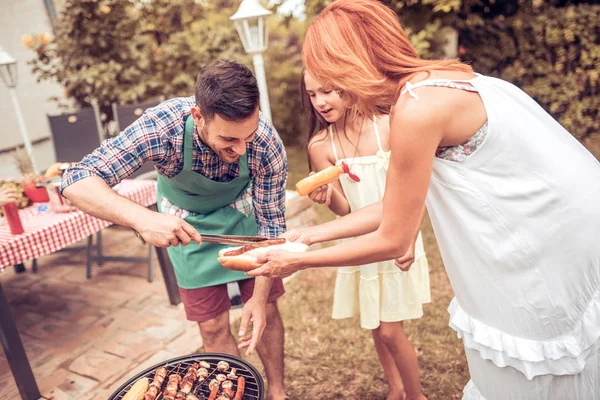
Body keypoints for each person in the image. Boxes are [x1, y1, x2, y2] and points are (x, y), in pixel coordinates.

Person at [248, 1, 600, 399]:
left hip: (547, 248)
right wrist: (308, 237)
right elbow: (392, 207)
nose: (331, 94)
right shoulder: (442, 77)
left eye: (331, 79)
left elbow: (394, 237)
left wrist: (296, 260)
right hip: (566, 230)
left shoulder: (416, 111)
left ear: (352, 64)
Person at [62, 60, 290, 400]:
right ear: (199, 116)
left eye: (248, 136)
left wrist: (258, 298)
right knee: (213, 327)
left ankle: (277, 390)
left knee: (267, 311)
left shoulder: (266, 143)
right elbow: (75, 180)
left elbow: (271, 228)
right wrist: (143, 219)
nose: (241, 148)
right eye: (229, 138)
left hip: (244, 225)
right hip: (183, 226)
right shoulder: (162, 127)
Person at [300, 69, 430, 400]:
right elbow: (347, 210)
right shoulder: (320, 145)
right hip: (360, 245)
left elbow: (418, 191)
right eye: (312, 94)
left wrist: (410, 236)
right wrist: (329, 198)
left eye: (327, 91)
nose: (320, 102)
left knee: (390, 331)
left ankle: (416, 396)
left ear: (347, 85)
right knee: (376, 320)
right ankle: (396, 387)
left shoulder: (388, 127)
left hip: (396, 237)